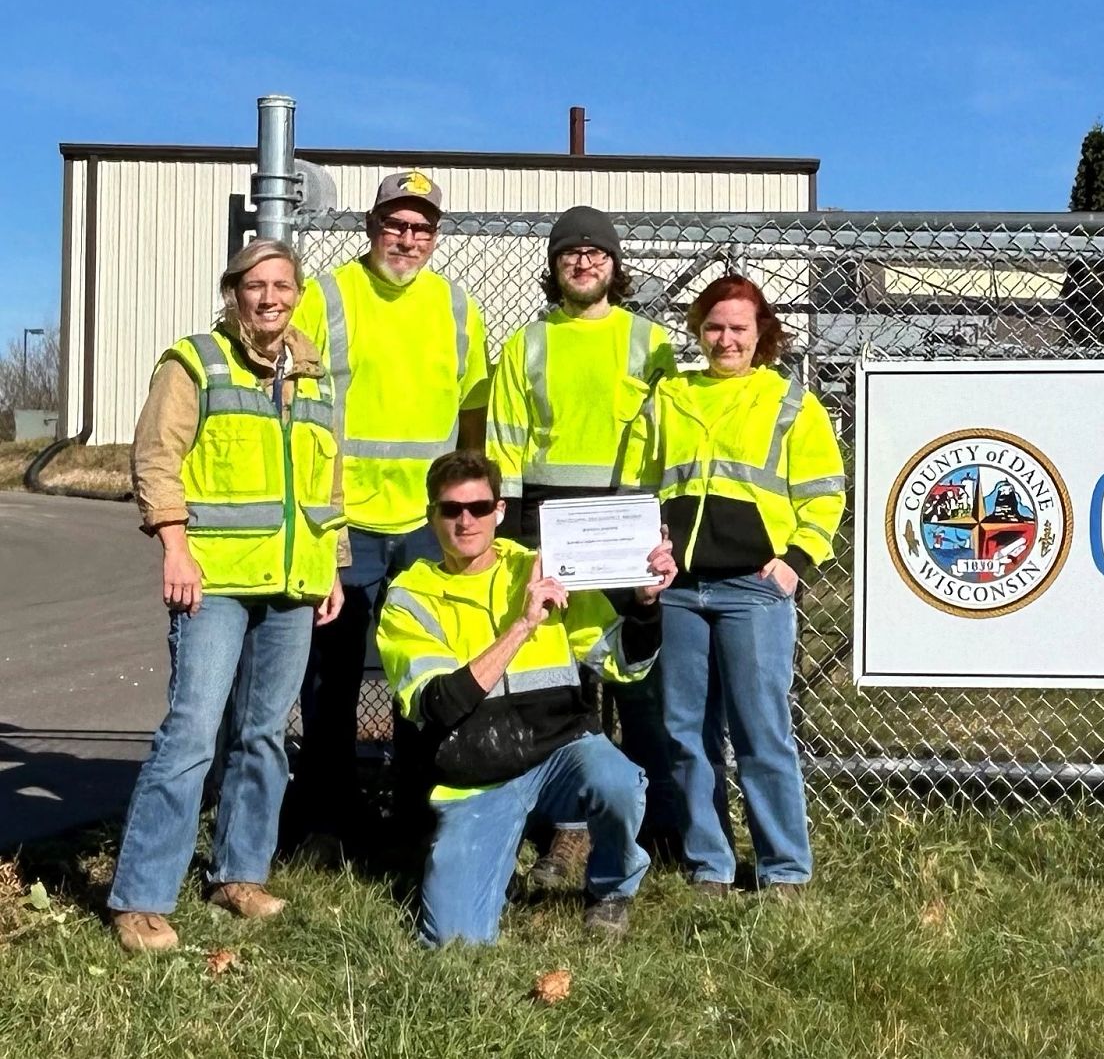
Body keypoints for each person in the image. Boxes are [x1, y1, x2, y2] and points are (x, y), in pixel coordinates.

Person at [108, 239, 347, 953]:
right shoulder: (196, 363)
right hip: (211, 581)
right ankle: (141, 897)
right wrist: (174, 545)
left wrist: (331, 563)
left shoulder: (315, 377)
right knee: (190, 733)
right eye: (254, 286)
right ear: (233, 292)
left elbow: (328, 481)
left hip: (291, 585)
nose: (269, 297)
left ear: (297, 294)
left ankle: (238, 874)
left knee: (265, 736)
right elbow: (156, 457)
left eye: (281, 284)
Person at [378, 450, 674, 946]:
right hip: (476, 777)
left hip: (561, 753)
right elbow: (438, 706)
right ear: (432, 516)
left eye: (478, 507)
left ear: (499, 510)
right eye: (451, 510)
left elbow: (622, 662)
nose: (465, 521)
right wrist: (523, 626)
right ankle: (492, 861)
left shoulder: (540, 567)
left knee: (619, 781)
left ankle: (611, 889)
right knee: (454, 941)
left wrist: (647, 604)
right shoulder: (410, 597)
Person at [286, 170, 492, 863]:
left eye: (421, 228)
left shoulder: (458, 308)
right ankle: (326, 823)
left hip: (423, 529)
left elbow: (472, 419)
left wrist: (459, 513)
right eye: (395, 225)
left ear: (436, 237)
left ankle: (416, 819)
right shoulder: (327, 296)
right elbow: (295, 405)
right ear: (370, 227)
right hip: (345, 526)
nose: (407, 239)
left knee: (424, 678)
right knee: (332, 681)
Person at [627, 273, 845, 894]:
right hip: (679, 591)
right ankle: (710, 864)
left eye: (739, 329)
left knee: (761, 732)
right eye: (715, 326)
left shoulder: (790, 404)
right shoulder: (668, 398)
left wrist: (794, 563)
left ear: (762, 335)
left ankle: (783, 869)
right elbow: (638, 488)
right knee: (687, 733)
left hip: (753, 589)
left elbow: (824, 495)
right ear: (699, 330)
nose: (725, 339)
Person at [486, 206, 677, 890]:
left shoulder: (650, 342)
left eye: (597, 251)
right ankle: (565, 829)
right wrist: (513, 527)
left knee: (638, 673)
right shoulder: (526, 344)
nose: (584, 261)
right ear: (554, 267)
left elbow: (667, 433)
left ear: (616, 265)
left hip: (625, 517)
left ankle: (650, 823)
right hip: (547, 514)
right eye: (571, 252)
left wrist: (658, 522)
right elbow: (505, 434)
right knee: (562, 674)